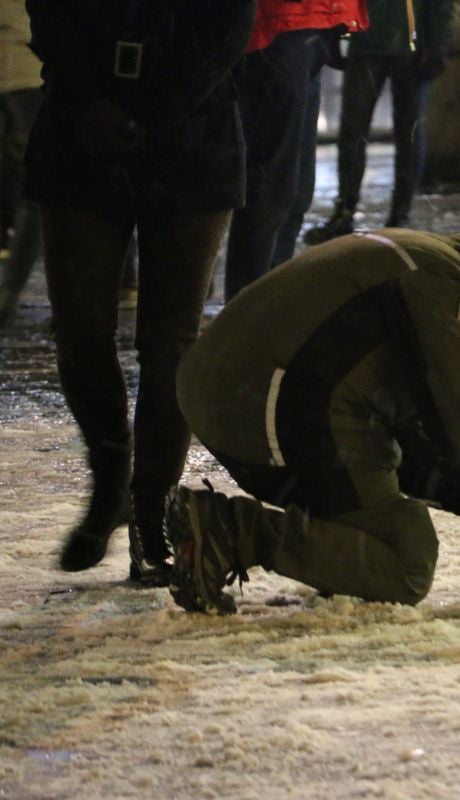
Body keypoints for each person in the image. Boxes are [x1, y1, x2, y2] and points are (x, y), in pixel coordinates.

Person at [167, 231, 460, 614]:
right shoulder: (448, 288)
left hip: (224, 393)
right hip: (267, 402)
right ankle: (235, 530)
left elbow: (416, 437)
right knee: (404, 556)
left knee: (373, 493)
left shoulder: (416, 256)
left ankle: (272, 547)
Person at [24, 0, 257, 586]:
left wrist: (158, 107)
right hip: (80, 134)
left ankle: (152, 507)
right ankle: (111, 485)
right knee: (80, 330)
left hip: (193, 136)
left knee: (171, 344)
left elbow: (228, 24)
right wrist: (89, 99)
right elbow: (51, 16)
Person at [222, 0, 369, 301]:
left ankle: (270, 305)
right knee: (274, 190)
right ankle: (249, 315)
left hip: (312, 23)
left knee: (296, 191)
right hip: (283, 23)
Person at [303, 0, 455, 244]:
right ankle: (392, 214)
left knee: (374, 131)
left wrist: (438, 41)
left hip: (387, 40)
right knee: (387, 132)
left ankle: (359, 212)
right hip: (391, 39)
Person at [0, 0, 43, 326]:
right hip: (27, 66)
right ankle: (8, 294)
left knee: (32, 186)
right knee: (35, 188)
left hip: (22, 66)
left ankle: (9, 293)